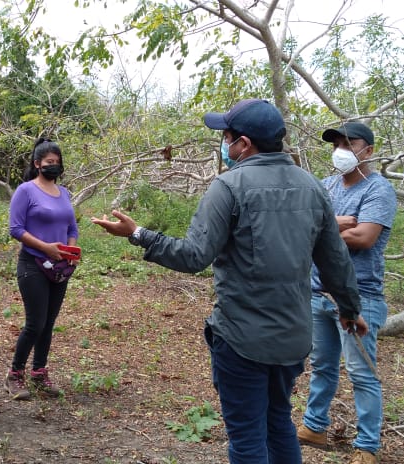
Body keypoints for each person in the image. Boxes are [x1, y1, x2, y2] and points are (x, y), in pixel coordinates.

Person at [92, 99, 366, 464]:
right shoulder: (313, 188)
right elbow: (335, 261)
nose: (224, 143)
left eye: (226, 136)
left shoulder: (229, 187)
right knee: (278, 422)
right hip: (292, 340)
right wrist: (350, 308)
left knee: (248, 438)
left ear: (244, 144)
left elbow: (193, 256)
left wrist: (138, 233)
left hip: (242, 339)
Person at [298, 122, 397, 464]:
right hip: (318, 292)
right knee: (321, 365)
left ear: (368, 150)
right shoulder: (326, 185)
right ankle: (314, 426)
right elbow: (303, 223)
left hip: (360, 296)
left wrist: (325, 228)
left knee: (361, 372)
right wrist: (341, 223)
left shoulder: (379, 190)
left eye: (349, 143)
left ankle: (367, 446)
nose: (340, 150)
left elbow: (364, 237)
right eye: (336, 143)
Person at [5, 138, 80, 400]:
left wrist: (71, 251)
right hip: (33, 263)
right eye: (49, 162)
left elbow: (72, 227)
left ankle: (39, 373)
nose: (54, 166)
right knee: (35, 323)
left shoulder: (64, 193)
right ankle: (15, 374)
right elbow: (16, 229)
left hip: (60, 266)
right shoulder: (26, 191)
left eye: (57, 162)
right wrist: (46, 247)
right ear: (37, 164)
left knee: (48, 323)